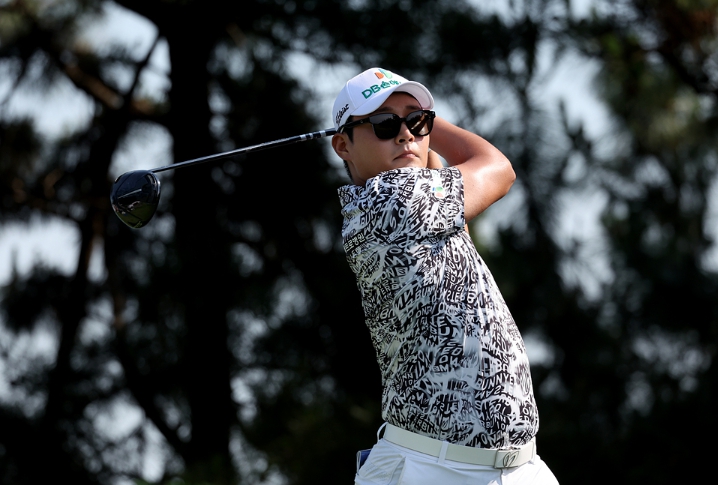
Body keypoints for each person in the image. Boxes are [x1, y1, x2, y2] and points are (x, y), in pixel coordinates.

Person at [331, 67, 559, 485]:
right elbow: (498, 168)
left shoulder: (420, 204)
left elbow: (442, 183)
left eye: (416, 121)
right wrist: (429, 125)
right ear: (343, 145)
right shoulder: (391, 202)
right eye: (384, 124)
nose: (405, 135)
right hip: (431, 468)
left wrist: (413, 127)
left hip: (518, 468)